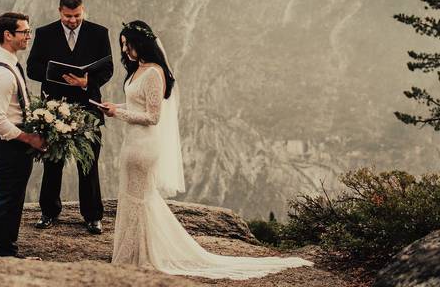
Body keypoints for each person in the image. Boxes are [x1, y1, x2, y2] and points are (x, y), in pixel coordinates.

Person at [99, 20, 314, 278]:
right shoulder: (138, 70)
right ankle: (135, 251)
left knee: (139, 200)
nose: (125, 50)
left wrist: (119, 114)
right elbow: (137, 103)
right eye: (122, 45)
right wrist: (117, 107)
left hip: (144, 146)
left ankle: (139, 254)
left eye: (128, 44)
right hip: (131, 143)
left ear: (141, 43)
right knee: (133, 199)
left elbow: (152, 116)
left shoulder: (154, 72)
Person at [26, 0, 113, 234]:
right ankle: (49, 212)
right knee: (53, 161)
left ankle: (93, 215)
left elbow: (108, 69)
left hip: (89, 108)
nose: (72, 21)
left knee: (89, 162)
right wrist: (56, 75)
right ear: (59, 11)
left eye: (76, 16)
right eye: (67, 16)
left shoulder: (99, 33)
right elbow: (31, 67)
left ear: (83, 10)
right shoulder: (45, 33)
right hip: (55, 107)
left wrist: (85, 82)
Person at [0, 12, 46, 257]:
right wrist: (29, 138)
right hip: (10, 143)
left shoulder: (5, 61)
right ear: (8, 35)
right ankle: (6, 252)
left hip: (11, 142)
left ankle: (4, 247)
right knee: (10, 199)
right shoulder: (2, 74)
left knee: (6, 197)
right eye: (24, 32)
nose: (29, 36)